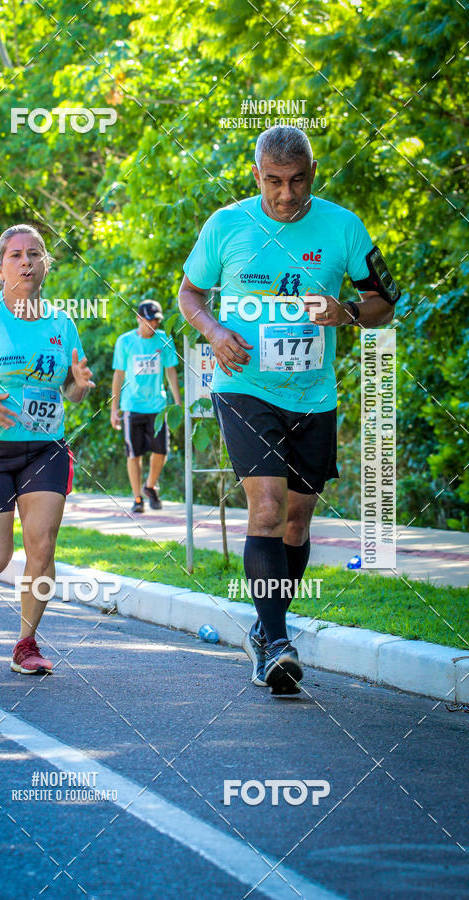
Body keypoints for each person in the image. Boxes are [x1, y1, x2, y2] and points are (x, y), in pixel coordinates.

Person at [178, 126, 399, 694]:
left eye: (298, 180)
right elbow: (189, 294)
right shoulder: (226, 225)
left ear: (313, 173)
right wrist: (214, 332)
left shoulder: (343, 226)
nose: (286, 194)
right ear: (256, 176)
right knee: (267, 509)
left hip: (312, 395)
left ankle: (265, 627)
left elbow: (385, 302)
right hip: (245, 386)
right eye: (273, 182)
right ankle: (277, 644)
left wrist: (347, 312)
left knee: (298, 521)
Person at [0, 223, 94, 675]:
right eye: (16, 255)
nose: (26, 262)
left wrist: (79, 385)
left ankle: (26, 642)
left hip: (45, 448)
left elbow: (72, 391)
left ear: (46, 263)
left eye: (34, 254)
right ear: (1, 265)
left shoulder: (61, 323)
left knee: (42, 545)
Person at [110, 300, 180, 513]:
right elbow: (118, 375)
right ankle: (137, 498)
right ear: (139, 319)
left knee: (161, 450)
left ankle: (150, 486)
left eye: (156, 321)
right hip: (132, 405)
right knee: (134, 454)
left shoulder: (164, 340)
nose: (153, 325)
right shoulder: (125, 341)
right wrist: (114, 409)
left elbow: (170, 371)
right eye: (149, 321)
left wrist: (178, 402)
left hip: (157, 406)